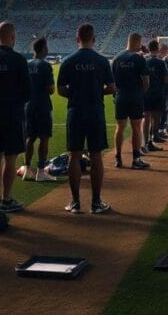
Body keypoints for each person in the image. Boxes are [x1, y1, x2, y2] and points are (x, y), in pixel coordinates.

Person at [57, 23, 116, 214]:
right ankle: (96, 202)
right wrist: (97, 92)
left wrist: (76, 95)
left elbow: (61, 89)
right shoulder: (101, 61)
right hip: (95, 111)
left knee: (74, 156)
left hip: (75, 111)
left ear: (77, 39)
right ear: (94, 39)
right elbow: (112, 88)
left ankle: (75, 202)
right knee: (96, 155)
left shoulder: (68, 61)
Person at [0, 21, 31, 212]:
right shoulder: (19, 60)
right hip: (13, 113)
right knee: (11, 157)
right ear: (13, 37)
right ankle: (6, 198)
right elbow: (28, 91)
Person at [112, 33, 151, 169]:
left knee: (120, 127)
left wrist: (116, 95)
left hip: (120, 96)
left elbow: (112, 82)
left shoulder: (117, 58)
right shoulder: (139, 58)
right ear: (138, 42)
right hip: (135, 96)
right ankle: (136, 159)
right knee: (136, 128)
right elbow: (146, 82)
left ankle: (118, 158)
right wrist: (141, 93)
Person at [25, 38, 58, 182]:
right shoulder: (45, 66)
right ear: (43, 49)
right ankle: (40, 171)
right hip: (42, 105)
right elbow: (51, 89)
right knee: (44, 138)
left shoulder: (26, 64)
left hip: (28, 105)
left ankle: (27, 169)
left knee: (29, 138)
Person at [144, 39, 168, 151]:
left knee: (146, 117)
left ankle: (145, 141)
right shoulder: (160, 62)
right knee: (156, 117)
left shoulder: (143, 60)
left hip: (145, 93)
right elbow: (166, 78)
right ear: (157, 48)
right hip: (158, 92)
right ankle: (154, 137)